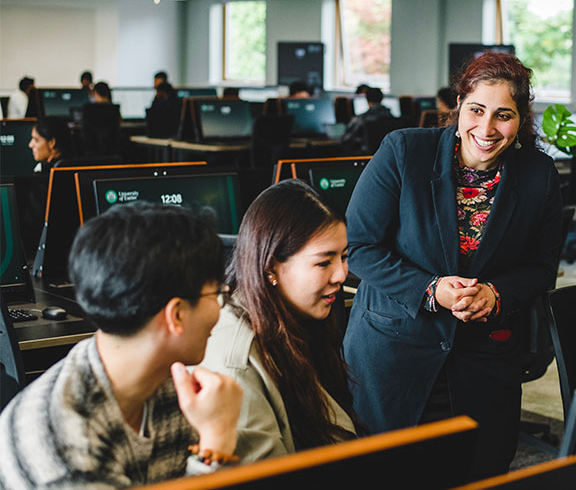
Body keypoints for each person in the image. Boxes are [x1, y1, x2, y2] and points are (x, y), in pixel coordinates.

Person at [343, 52, 563, 478]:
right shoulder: (405, 151)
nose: (486, 128)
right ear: (459, 104)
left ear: (520, 120)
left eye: (504, 115)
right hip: (395, 350)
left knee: (477, 469)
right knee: (390, 474)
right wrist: (431, 290)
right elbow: (359, 245)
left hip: (484, 356)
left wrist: (495, 293)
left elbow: (541, 266)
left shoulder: (538, 174)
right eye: (477, 109)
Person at [0, 203, 243, 488]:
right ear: (176, 315)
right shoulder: (62, 446)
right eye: (216, 293)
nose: (219, 308)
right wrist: (217, 440)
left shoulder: (169, 387)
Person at [199, 180, 360, 463]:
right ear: (271, 267)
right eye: (324, 263)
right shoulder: (236, 358)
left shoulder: (290, 319)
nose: (341, 275)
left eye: (344, 257)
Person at [339, 87, 396, 154]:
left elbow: (345, 140)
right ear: (381, 99)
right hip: (387, 157)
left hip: (366, 159)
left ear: (367, 100)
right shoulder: (393, 118)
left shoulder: (360, 119)